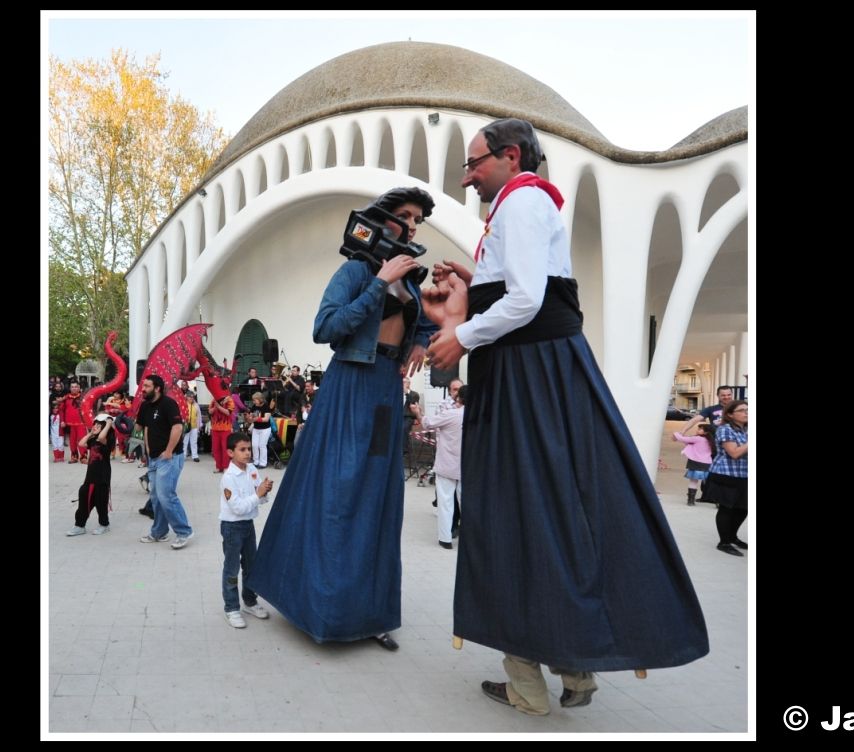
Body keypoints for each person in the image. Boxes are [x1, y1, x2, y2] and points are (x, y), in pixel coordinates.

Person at [425, 118, 708, 716]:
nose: (467, 174)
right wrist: (476, 283)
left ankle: (532, 682)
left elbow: (528, 299)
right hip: (538, 373)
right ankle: (574, 665)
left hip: (525, 375)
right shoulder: (521, 205)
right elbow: (532, 287)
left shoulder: (521, 201)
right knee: (554, 510)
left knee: (511, 514)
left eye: (474, 163)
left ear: (508, 156)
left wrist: (462, 337)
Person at [249, 186, 437, 649]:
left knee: (378, 498)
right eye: (406, 216)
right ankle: (321, 606)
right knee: (336, 493)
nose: (412, 225)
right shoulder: (355, 269)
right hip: (349, 387)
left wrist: (421, 341)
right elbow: (325, 328)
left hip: (385, 394)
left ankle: (371, 614)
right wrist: (377, 283)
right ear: (383, 218)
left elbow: (426, 321)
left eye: (418, 220)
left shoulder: (411, 278)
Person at [219, 433, 275, 629]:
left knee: (251, 565)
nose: (247, 453)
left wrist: (264, 491)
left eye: (249, 449)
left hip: (248, 525)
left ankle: (250, 601)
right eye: (242, 449)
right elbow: (239, 508)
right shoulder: (228, 478)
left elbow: (258, 498)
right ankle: (231, 608)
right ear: (230, 453)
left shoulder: (251, 469)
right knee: (232, 569)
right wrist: (257, 494)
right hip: (232, 527)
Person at [136, 374, 195, 550]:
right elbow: (142, 428)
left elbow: (178, 428)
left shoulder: (168, 404)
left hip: (169, 457)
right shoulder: (145, 405)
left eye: (146, 386)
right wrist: (147, 452)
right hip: (153, 458)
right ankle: (159, 532)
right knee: (155, 496)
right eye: (143, 385)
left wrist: (168, 451)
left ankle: (184, 531)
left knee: (166, 496)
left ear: (157, 388)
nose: (143, 389)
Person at [414, 384, 467, 549]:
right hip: (468, 467)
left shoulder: (452, 414)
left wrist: (418, 412)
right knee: (467, 504)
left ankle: (445, 539)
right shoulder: (479, 416)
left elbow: (428, 423)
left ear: (458, 398)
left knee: (445, 503)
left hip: (447, 465)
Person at [703, 400, 748, 556]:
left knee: (744, 509)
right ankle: (724, 542)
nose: (746, 412)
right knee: (727, 509)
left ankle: (733, 537)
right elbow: (734, 453)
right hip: (726, 475)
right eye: (742, 410)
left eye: (747, 409)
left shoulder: (747, 429)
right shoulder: (724, 429)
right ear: (730, 414)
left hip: (745, 475)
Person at [66, 413, 116, 536]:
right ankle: (79, 526)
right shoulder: (93, 439)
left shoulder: (106, 440)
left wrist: (109, 423)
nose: (95, 427)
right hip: (90, 477)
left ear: (105, 427)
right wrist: (90, 433)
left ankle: (104, 524)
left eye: (98, 425)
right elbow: (81, 444)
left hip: (102, 477)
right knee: (83, 497)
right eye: (94, 424)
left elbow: (101, 438)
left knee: (101, 502)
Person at [672, 419, 716, 506]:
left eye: (700, 429)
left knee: (693, 481)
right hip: (707, 463)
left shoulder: (697, 439)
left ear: (706, 432)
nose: (697, 430)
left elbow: (681, 438)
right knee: (709, 482)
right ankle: (717, 501)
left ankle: (691, 500)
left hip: (695, 463)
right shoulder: (711, 441)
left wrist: (677, 433)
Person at [248, 392, 272, 469]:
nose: (254, 401)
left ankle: (263, 463)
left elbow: (266, 419)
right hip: (256, 428)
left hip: (265, 429)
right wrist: (249, 418)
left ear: (260, 399)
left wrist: (256, 419)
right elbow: (251, 416)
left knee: (262, 445)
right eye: (253, 400)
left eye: (255, 400)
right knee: (254, 445)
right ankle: (256, 461)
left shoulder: (266, 407)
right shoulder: (254, 407)